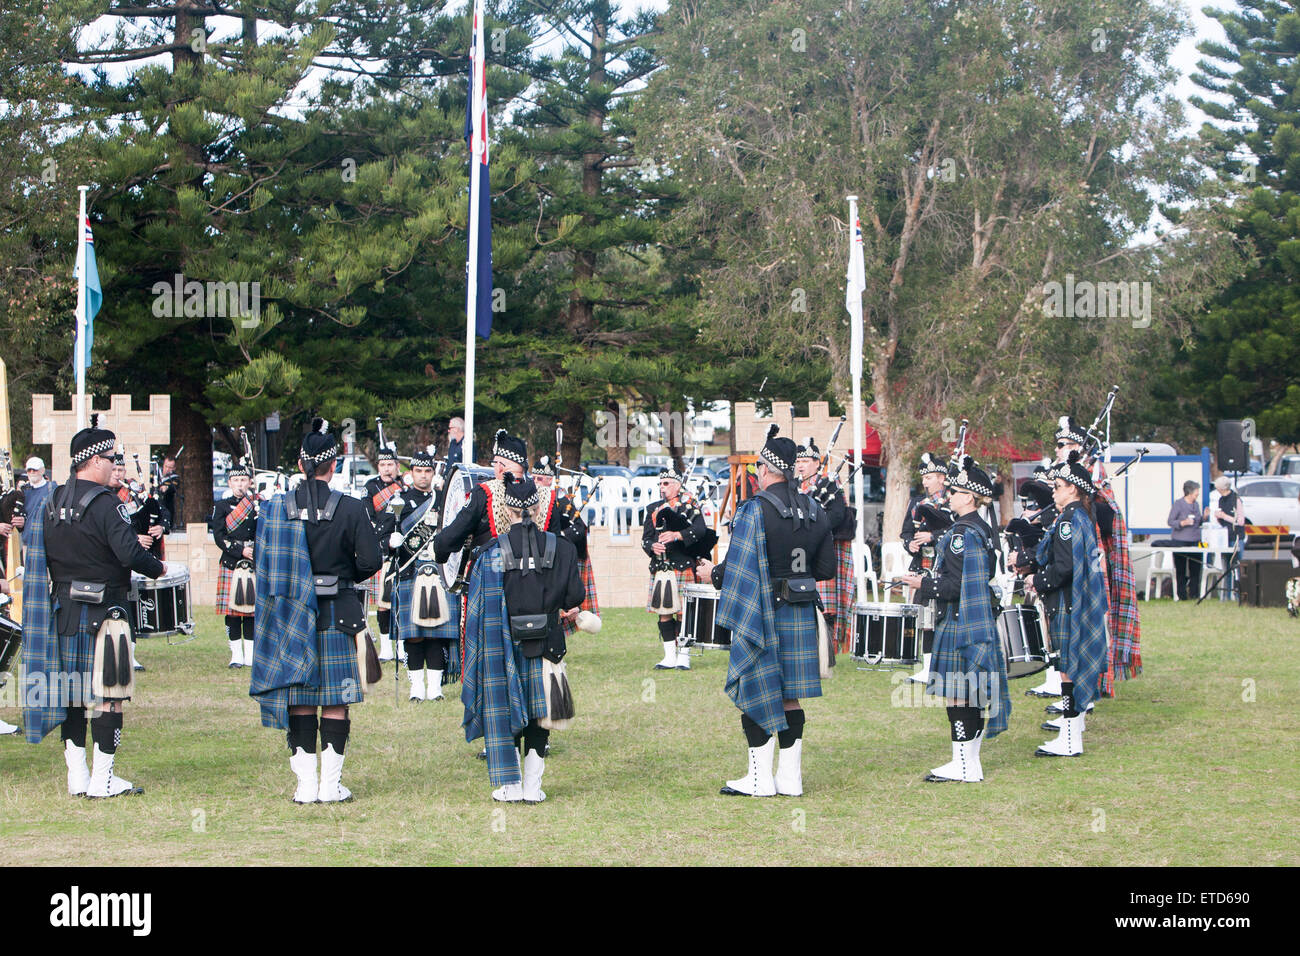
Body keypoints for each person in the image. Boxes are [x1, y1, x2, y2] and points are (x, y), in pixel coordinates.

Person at [22, 418, 166, 796]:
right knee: (109, 695)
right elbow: (130, 553)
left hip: (65, 612)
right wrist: (159, 567)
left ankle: (77, 777)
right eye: (111, 457)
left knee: (72, 694)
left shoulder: (51, 501)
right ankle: (103, 781)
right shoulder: (106, 504)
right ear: (93, 461)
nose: (114, 464)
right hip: (107, 614)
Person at [697, 426, 835, 797]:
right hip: (802, 611)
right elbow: (826, 570)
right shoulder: (815, 508)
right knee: (790, 695)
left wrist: (714, 574)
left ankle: (759, 780)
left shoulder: (755, 509)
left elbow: (740, 566)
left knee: (757, 689)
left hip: (763, 613)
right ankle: (790, 779)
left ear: (766, 469)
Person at [249, 419, 382, 803]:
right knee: (336, 701)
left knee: (302, 700)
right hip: (339, 614)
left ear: (300, 462)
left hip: (291, 616)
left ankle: (305, 787)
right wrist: (345, 577)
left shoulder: (276, 509)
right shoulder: (352, 508)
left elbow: (264, 561)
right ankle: (330, 786)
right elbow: (371, 560)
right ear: (335, 464)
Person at [461, 476, 584, 802]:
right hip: (549, 645)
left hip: (504, 646)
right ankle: (533, 788)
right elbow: (576, 595)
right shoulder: (564, 548)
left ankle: (511, 788)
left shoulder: (489, 554)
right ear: (539, 507)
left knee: (509, 710)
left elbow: (478, 614)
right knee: (539, 714)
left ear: (506, 509)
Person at [899, 457, 1011, 782]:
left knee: (958, 692)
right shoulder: (983, 529)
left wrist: (925, 584)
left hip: (960, 619)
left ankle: (962, 765)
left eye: (955, 492)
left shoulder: (964, 533)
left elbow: (960, 585)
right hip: (977, 618)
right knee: (972, 690)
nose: (948, 496)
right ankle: (969, 763)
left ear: (969, 497)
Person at [1024, 452, 1109, 757]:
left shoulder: (1068, 522)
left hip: (1067, 604)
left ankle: (1070, 740)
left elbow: (1065, 569)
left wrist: (1037, 580)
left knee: (1067, 671)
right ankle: (1071, 735)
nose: (1054, 492)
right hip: (1075, 604)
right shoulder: (1080, 518)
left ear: (1072, 489)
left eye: (1057, 486)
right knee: (1069, 669)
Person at [392, 449, 460, 701]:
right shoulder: (400, 500)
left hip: (439, 571)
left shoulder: (443, 500)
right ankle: (416, 687)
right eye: (418, 471)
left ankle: (435, 688)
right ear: (411, 473)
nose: (423, 476)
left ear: (433, 473)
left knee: (437, 633)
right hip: (411, 571)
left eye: (427, 471)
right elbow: (381, 534)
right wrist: (391, 541)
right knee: (414, 634)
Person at [641, 467, 711, 671]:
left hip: (682, 565)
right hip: (662, 567)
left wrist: (677, 535)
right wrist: (652, 546)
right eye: (661, 484)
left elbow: (700, 530)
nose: (663, 488)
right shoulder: (652, 509)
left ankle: (684, 656)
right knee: (664, 613)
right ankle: (669, 656)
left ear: (678, 486)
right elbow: (645, 539)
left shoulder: (690, 506)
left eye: (667, 483)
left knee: (683, 613)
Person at [795, 440, 854, 654]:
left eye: (805, 461)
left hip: (824, 548)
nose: (800, 465)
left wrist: (813, 529)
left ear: (817, 463)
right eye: (798, 461)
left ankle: (828, 650)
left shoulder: (829, 483)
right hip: (799, 550)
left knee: (826, 605)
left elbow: (837, 514)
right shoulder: (794, 486)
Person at [535, 456, 601, 639]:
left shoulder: (562, 501)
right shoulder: (533, 503)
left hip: (565, 560)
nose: (536, 482)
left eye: (539, 479)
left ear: (549, 480)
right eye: (533, 478)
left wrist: (561, 539)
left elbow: (579, 529)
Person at [901, 452, 951, 684]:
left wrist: (933, 536)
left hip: (947, 568)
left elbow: (958, 529)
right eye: (924, 478)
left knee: (944, 617)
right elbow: (906, 532)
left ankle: (946, 667)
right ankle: (928, 668)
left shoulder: (953, 500)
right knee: (925, 618)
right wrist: (910, 543)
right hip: (923, 566)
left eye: (929, 477)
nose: (925, 482)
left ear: (942, 477)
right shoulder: (916, 503)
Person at [209, 462, 257, 669]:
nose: (239, 484)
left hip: (253, 562)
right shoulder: (221, 507)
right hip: (232, 562)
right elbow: (219, 536)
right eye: (236, 480)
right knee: (233, 613)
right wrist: (240, 551)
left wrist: (255, 551)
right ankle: (236, 655)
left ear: (249, 482)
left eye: (243, 480)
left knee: (252, 612)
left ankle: (251, 656)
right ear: (229, 482)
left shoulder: (257, 505)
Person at [363, 445, 403, 661]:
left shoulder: (404, 487)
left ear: (397, 466)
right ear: (378, 466)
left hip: (404, 551)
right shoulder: (370, 488)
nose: (387, 469)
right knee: (383, 603)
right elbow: (367, 517)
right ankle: (387, 647)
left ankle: (402, 646)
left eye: (390, 464)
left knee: (402, 600)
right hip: (381, 549)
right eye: (383, 465)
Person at [1207, 474, 1245, 599]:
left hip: (1236, 537)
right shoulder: (1220, 500)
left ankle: (1238, 595)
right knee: (1226, 568)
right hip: (1224, 537)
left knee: (1237, 568)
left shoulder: (1236, 499)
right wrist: (1218, 517)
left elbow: (1240, 521)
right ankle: (1225, 596)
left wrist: (1224, 516)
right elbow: (1222, 521)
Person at [1165, 480, 1205, 600]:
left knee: (1195, 569)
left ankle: (1194, 593)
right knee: (1181, 569)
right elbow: (1170, 521)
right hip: (1180, 540)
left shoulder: (1196, 505)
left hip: (1195, 540)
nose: (1197, 493)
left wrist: (1205, 517)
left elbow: (1198, 521)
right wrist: (1183, 522)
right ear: (1189, 492)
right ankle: (1181, 594)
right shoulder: (1178, 504)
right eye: (1196, 491)